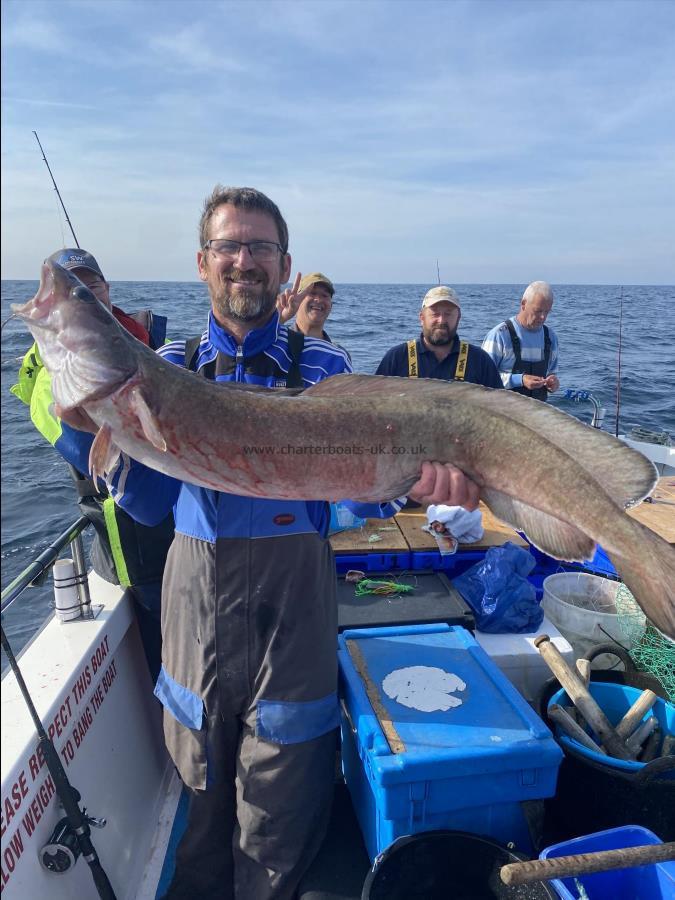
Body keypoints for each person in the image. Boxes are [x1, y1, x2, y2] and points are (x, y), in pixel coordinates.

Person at [57, 187, 480, 900]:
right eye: (229, 246)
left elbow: (352, 495)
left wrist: (421, 482)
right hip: (196, 600)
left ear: (285, 267)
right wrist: (86, 429)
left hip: (295, 607)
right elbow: (151, 505)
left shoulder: (326, 369)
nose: (243, 261)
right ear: (201, 262)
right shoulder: (165, 364)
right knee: (198, 789)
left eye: (260, 248)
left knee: (280, 807)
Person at [11, 248, 173, 682]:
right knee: (172, 676)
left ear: (107, 290)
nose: (80, 298)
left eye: (88, 288)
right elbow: (118, 474)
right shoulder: (50, 382)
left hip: (188, 542)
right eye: (70, 293)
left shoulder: (146, 345)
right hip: (135, 551)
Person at [375, 285, 503, 388]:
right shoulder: (396, 358)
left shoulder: (480, 360)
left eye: (448, 314)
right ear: (422, 318)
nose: (441, 320)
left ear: (458, 318)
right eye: (435, 313)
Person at [482, 281, 560, 401]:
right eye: (538, 311)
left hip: (537, 414)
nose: (543, 317)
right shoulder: (499, 335)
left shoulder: (551, 338)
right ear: (523, 304)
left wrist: (553, 383)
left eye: (547, 312)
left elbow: (552, 373)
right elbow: (483, 379)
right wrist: (520, 380)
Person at [277, 271, 351, 360]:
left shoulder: (339, 356)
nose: (318, 300)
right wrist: (279, 319)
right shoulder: (276, 338)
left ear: (331, 306)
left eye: (324, 295)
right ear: (296, 300)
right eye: (312, 293)